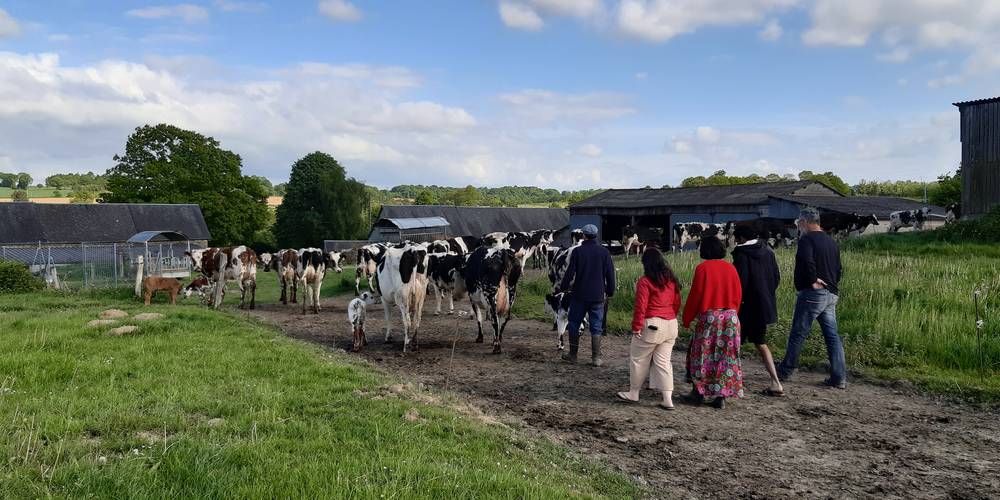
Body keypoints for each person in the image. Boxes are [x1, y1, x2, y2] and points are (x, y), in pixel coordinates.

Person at [777, 208, 846, 389]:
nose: (798, 226)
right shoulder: (831, 241)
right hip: (831, 292)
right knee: (832, 336)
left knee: (798, 333)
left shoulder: (807, 240)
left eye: (799, 222)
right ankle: (839, 377)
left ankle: (785, 370)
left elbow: (806, 261)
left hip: (813, 294)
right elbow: (839, 268)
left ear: (805, 222)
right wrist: (831, 284)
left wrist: (812, 280)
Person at [682, 236, 744, 409]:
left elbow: (696, 295)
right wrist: (733, 314)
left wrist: (687, 318)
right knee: (726, 356)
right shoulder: (731, 268)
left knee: (701, 353)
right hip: (731, 317)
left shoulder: (703, 268)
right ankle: (721, 396)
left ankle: (698, 392)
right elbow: (738, 294)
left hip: (710, 317)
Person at [616, 247, 682, 409]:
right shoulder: (672, 280)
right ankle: (668, 399)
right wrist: (670, 317)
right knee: (664, 362)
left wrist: (636, 326)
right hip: (671, 324)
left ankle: (634, 393)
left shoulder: (645, 281)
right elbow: (676, 303)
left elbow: (641, 306)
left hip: (652, 325)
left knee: (639, 360)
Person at [731, 225, 784, 396]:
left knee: (733, 344)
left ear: (741, 238)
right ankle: (776, 382)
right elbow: (776, 278)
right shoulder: (768, 251)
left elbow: (741, 283)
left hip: (745, 306)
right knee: (761, 343)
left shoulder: (741, 254)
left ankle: (731, 381)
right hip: (763, 305)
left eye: (735, 238)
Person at [559, 224, 616, 366]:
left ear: (584, 235)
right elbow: (610, 274)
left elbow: (570, 273)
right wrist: (610, 291)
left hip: (579, 294)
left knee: (574, 323)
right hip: (597, 295)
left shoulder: (577, 252)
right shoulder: (604, 252)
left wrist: (563, 287)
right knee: (596, 326)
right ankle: (596, 358)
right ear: (596, 235)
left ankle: (573, 355)